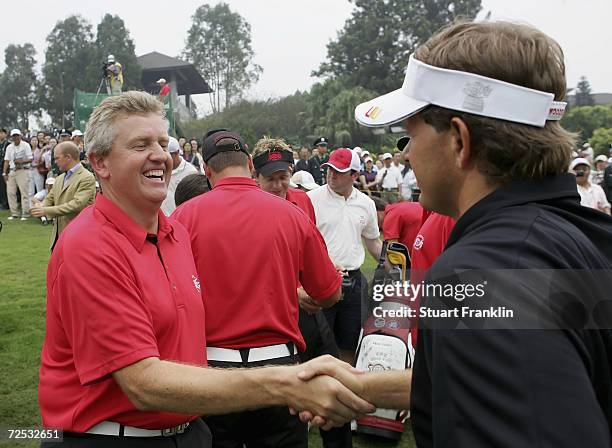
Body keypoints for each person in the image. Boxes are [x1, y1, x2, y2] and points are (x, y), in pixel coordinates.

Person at [39, 91, 376, 448]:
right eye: (140, 145)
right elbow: (142, 383)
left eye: (162, 143)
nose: (159, 155)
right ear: (100, 163)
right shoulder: (89, 246)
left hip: (190, 430)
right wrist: (285, 382)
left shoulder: (178, 232)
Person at [354, 20, 612, 447]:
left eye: (410, 133)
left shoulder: (477, 277)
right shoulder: (587, 235)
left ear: (459, 140)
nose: (409, 153)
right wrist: (365, 388)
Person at [173, 131, 347, 448]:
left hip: (212, 368)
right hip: (279, 365)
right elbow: (329, 293)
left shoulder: (183, 217)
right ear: (251, 165)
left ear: (206, 170)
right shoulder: (292, 214)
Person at [252, 137, 353, 447]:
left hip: (310, 311)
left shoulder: (301, 201)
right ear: (255, 177)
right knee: (287, 397)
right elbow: (254, 271)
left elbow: (310, 250)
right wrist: (294, 292)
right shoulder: (250, 209)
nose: (279, 184)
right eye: (271, 178)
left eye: (284, 176)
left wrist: (325, 272)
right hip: (274, 315)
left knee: (333, 379)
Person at [308, 148, 383, 362]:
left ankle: (346, 388)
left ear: (354, 175)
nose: (331, 174)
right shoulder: (312, 199)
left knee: (350, 342)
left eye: (339, 171)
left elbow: (373, 243)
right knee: (319, 344)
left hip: (354, 281)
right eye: (329, 169)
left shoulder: (366, 204)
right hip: (321, 281)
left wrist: (396, 266)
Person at [30, 141, 97, 249]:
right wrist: (41, 206)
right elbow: (50, 197)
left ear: (68, 157)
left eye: (57, 158)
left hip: (78, 235)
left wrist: (46, 210)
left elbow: (77, 205)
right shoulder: (60, 178)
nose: (55, 162)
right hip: (58, 235)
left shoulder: (86, 177)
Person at [160, 137, 198, 216]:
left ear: (177, 153)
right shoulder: (158, 169)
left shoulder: (190, 172)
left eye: (168, 155)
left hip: (181, 220)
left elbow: (195, 202)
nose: (164, 158)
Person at [3, 129, 33, 220]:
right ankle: (14, 213)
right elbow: (7, 161)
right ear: (11, 137)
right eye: (14, 136)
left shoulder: (25, 145)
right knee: (10, 192)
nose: (15, 137)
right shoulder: (9, 147)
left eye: (17, 135)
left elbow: (31, 158)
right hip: (12, 171)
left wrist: (22, 161)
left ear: (20, 136)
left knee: (24, 192)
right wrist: (4, 173)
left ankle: (25, 213)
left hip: (22, 170)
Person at [0, 128, 10, 209]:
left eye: (2, 133)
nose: (0, 134)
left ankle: (6, 203)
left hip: (5, 167)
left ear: (5, 134)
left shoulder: (8, 144)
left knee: (5, 186)